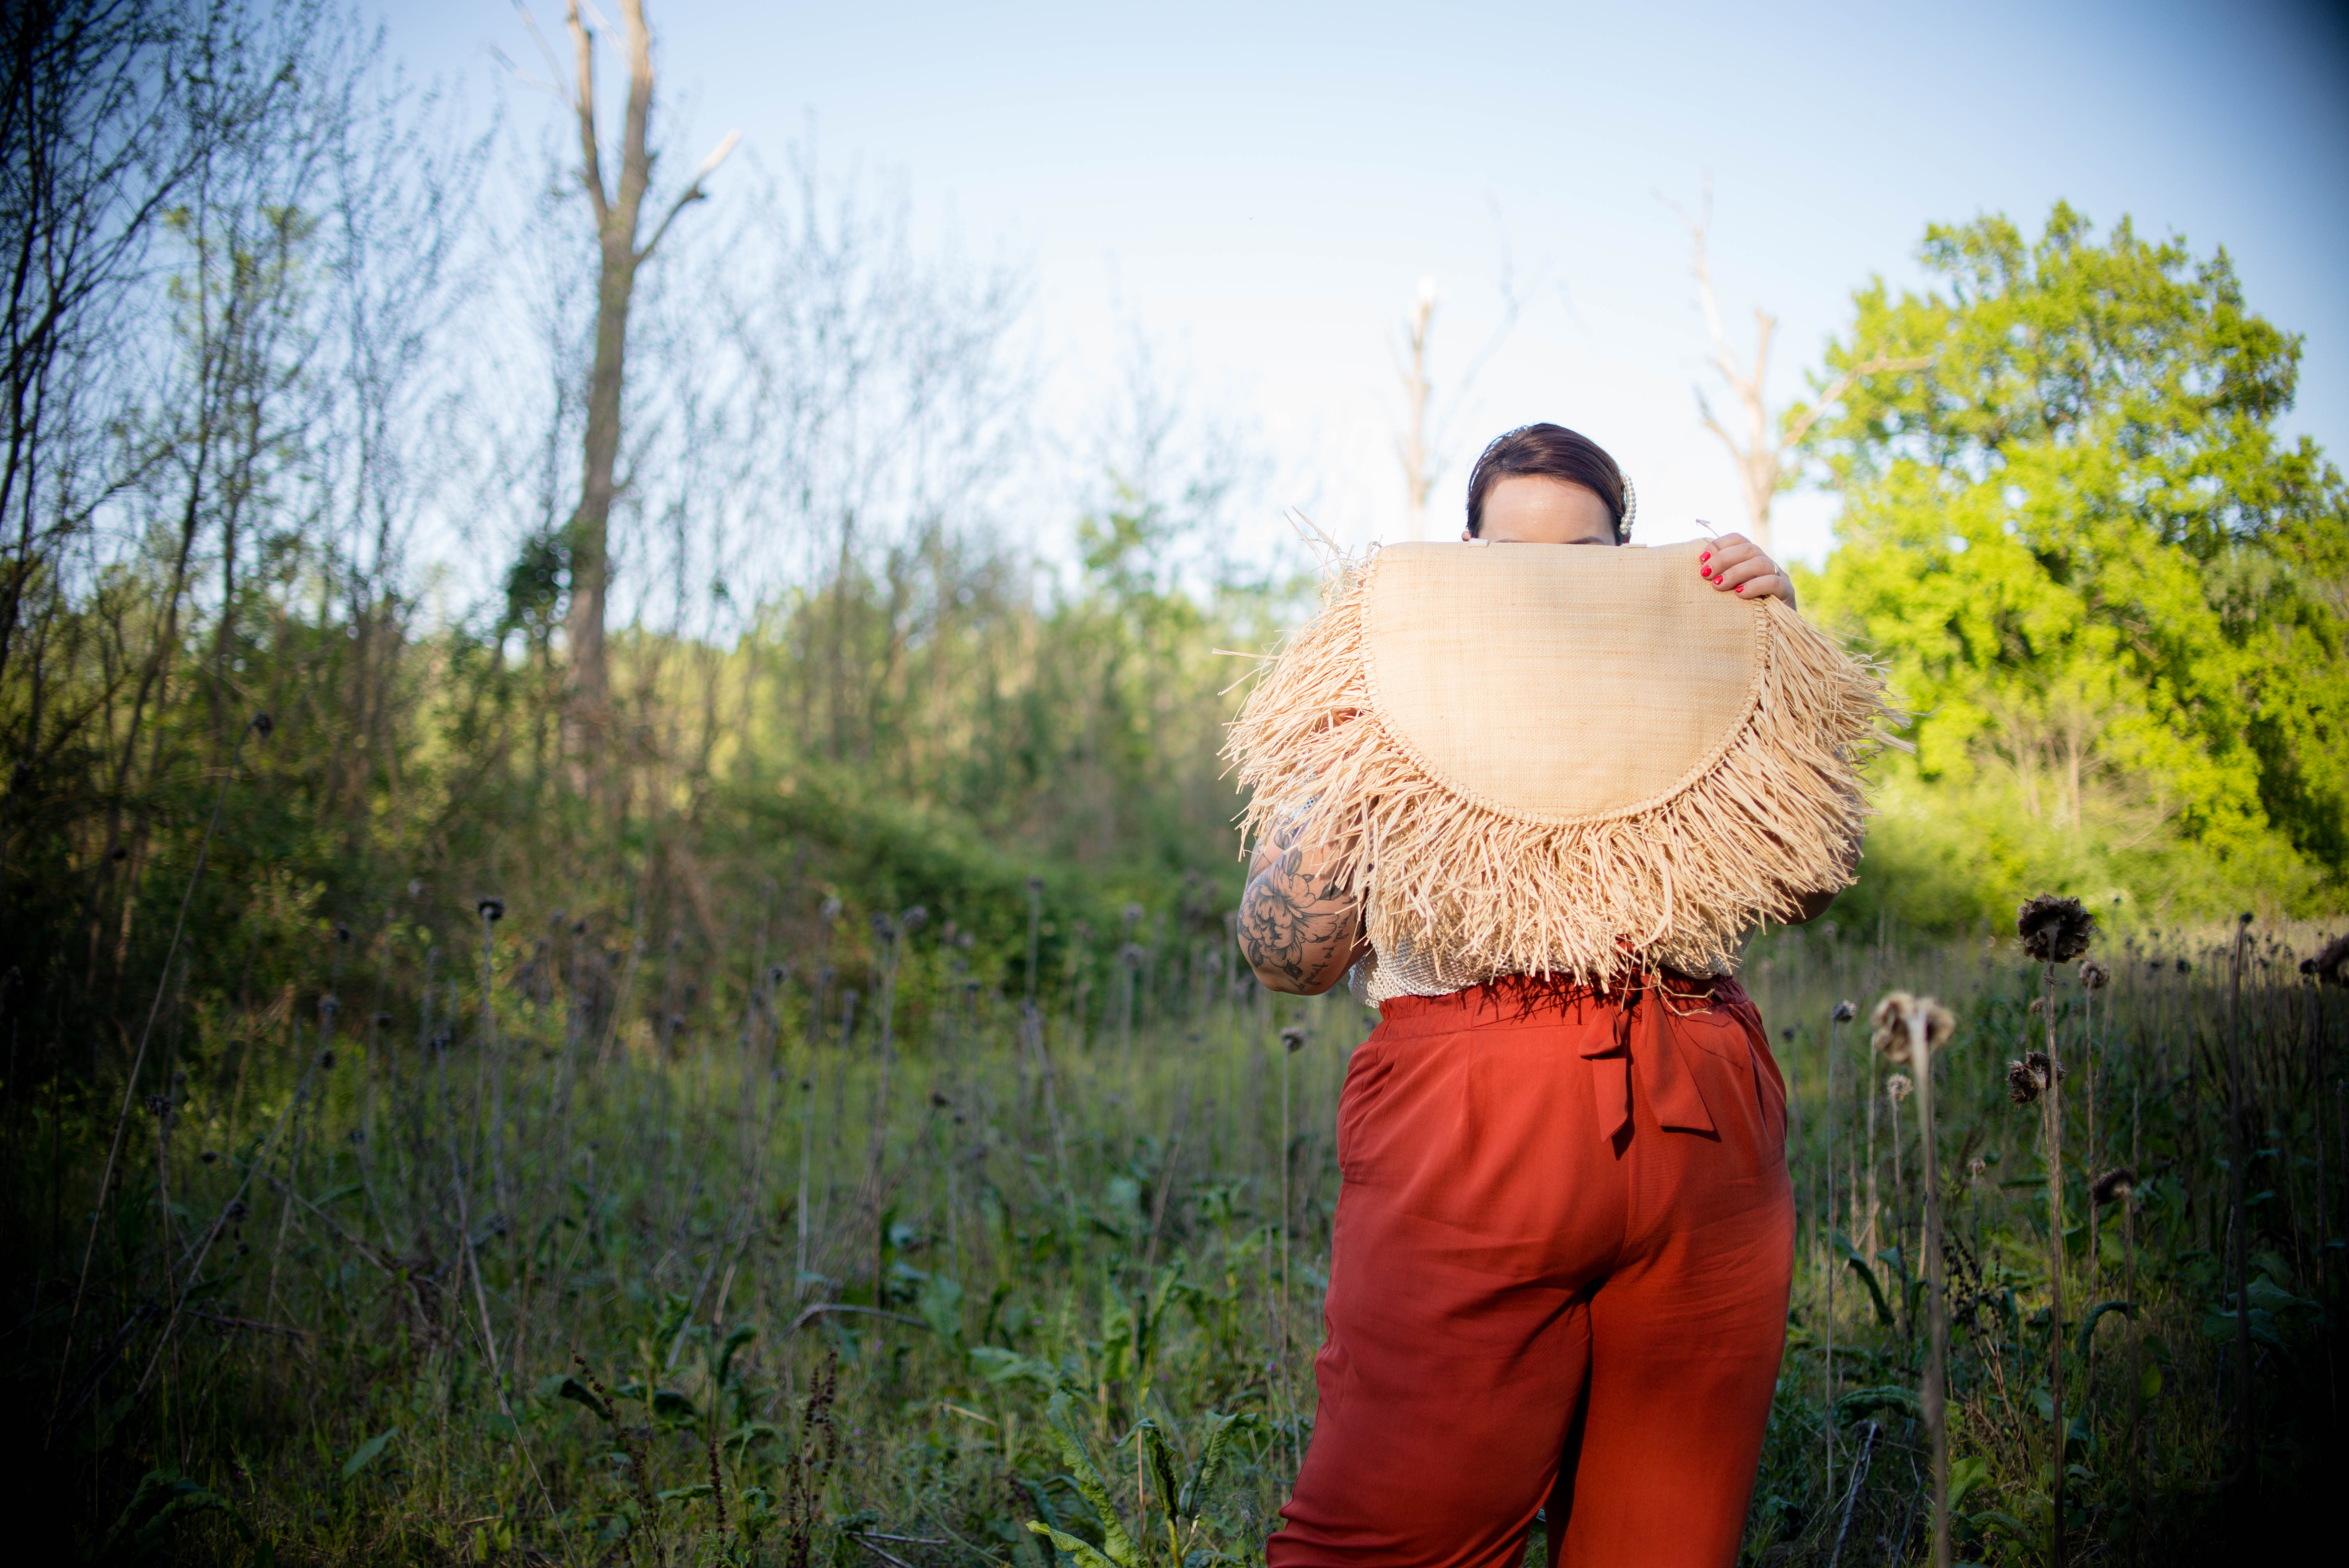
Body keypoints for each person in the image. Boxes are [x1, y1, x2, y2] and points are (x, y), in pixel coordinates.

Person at [1240, 424, 1843, 1568]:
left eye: (1585, 556)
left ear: (1630, 559)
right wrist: (1370, 764)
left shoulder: (1694, 679)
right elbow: (1290, 960)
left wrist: (1772, 660)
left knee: (1665, 1547)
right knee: (1385, 1542)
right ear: (1465, 558)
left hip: (1699, 1107)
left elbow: (1813, 886)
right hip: (1470, 1124)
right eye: (1514, 556)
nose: (1549, 583)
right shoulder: (1378, 684)